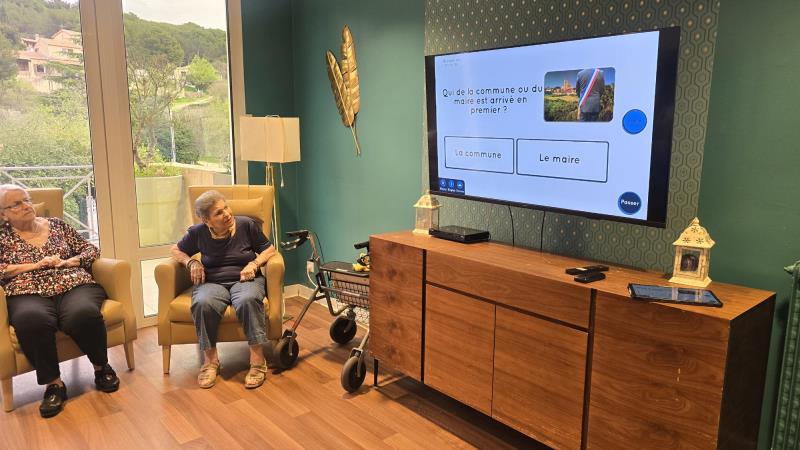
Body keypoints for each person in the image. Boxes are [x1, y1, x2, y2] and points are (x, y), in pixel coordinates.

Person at [0, 185, 120, 418]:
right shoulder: (2, 237)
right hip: (27, 290)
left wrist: (70, 262)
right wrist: (33, 266)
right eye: (16, 204)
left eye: (27, 200)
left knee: (82, 313)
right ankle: (54, 384)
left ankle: (101, 367)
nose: (26, 206)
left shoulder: (56, 225)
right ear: (3, 214)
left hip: (73, 283)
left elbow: (90, 250)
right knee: (31, 321)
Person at [171, 190, 276, 389]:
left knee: (248, 300)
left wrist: (254, 264)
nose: (227, 214)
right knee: (202, 303)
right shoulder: (198, 232)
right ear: (206, 220)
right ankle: (211, 362)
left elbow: (269, 249)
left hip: (245, 279)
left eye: (226, 207)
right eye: (218, 213)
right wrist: (191, 262)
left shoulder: (246, 224)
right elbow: (176, 250)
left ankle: (257, 361)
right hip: (212, 282)